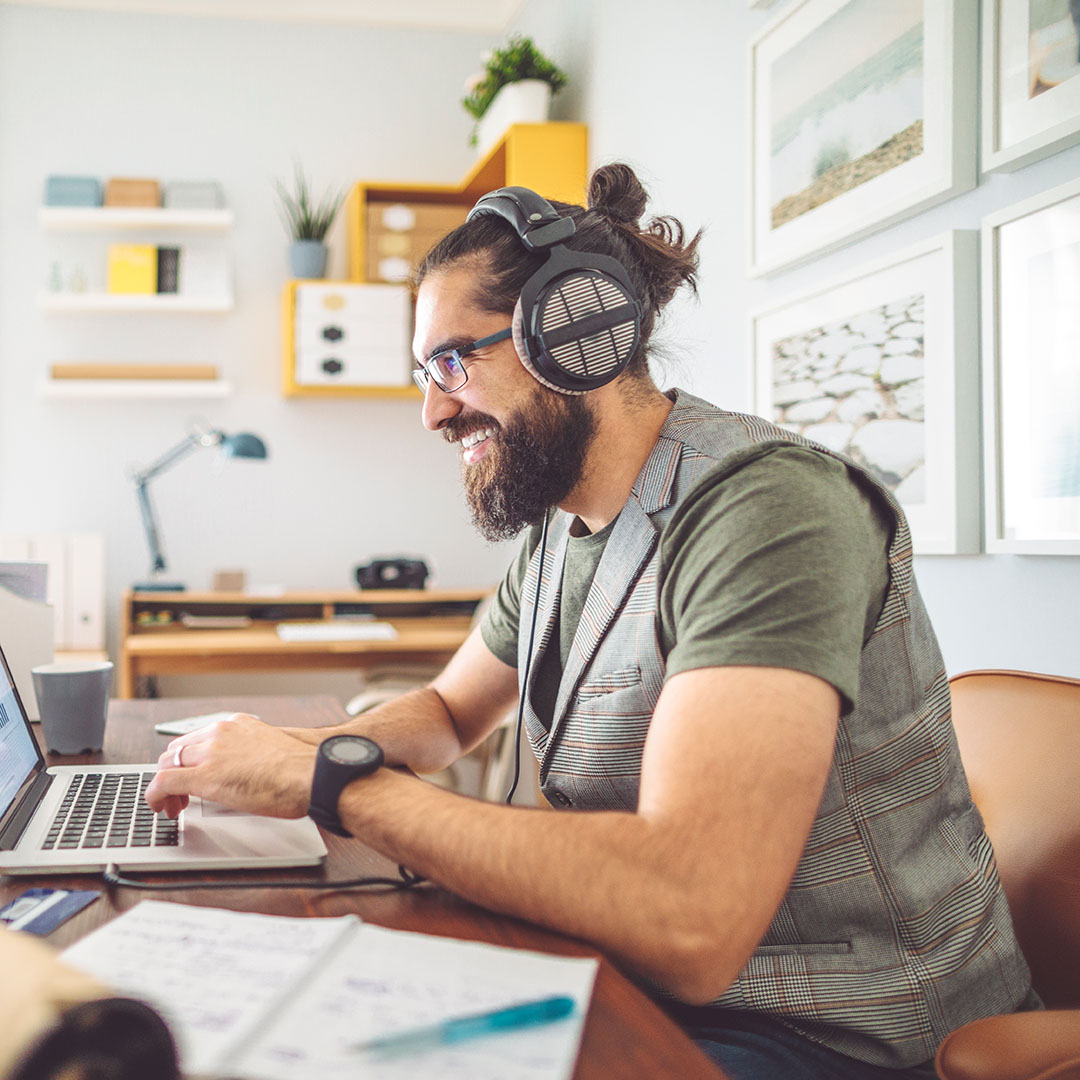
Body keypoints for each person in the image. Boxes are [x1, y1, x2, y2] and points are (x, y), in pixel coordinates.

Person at [146, 163, 1036, 1079]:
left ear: (577, 334)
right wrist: (287, 755)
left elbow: (692, 915)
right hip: (652, 978)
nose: (432, 411)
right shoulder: (560, 529)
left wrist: (337, 786)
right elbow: (451, 713)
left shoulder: (770, 510)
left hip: (842, 1033)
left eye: (454, 361)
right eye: (425, 372)